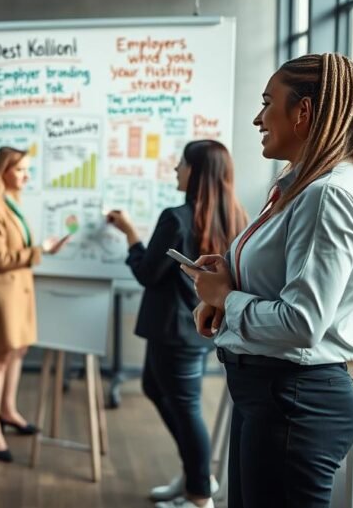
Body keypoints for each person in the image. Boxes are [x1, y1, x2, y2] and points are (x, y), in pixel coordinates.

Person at [183, 53, 353, 507]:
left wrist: (227, 297)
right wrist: (225, 284)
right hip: (272, 395)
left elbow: (302, 322)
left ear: (303, 112)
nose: (258, 118)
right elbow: (285, 282)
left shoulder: (328, 194)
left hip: (293, 401)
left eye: (268, 103)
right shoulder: (302, 185)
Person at [107, 140, 247, 508]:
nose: (175, 170)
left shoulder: (176, 217)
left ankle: (200, 494)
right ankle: (194, 471)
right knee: (155, 386)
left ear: (196, 172)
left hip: (176, 329)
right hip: (200, 326)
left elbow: (147, 274)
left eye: (181, 164)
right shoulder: (237, 216)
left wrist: (131, 235)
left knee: (185, 406)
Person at [0, 146, 67, 463]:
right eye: (21, 169)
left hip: (19, 290)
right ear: (3, 171)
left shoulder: (13, 202)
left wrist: (40, 249)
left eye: (27, 170)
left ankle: (8, 410)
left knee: (18, 351)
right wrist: (42, 250)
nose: (27, 176)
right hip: (1, 293)